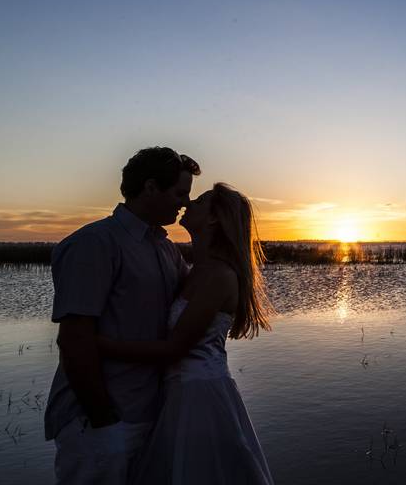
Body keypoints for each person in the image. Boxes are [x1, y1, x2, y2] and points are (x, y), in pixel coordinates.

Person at [97, 183, 275, 485]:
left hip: (200, 396)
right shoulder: (195, 269)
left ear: (213, 219)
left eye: (201, 200)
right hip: (180, 392)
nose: (189, 202)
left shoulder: (218, 275)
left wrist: (97, 345)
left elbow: (174, 348)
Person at [45, 146, 200, 484]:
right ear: (149, 187)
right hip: (102, 421)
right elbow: (74, 338)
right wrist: (103, 418)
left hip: (152, 413)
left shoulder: (165, 247)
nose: (185, 202)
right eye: (179, 193)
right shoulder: (94, 244)